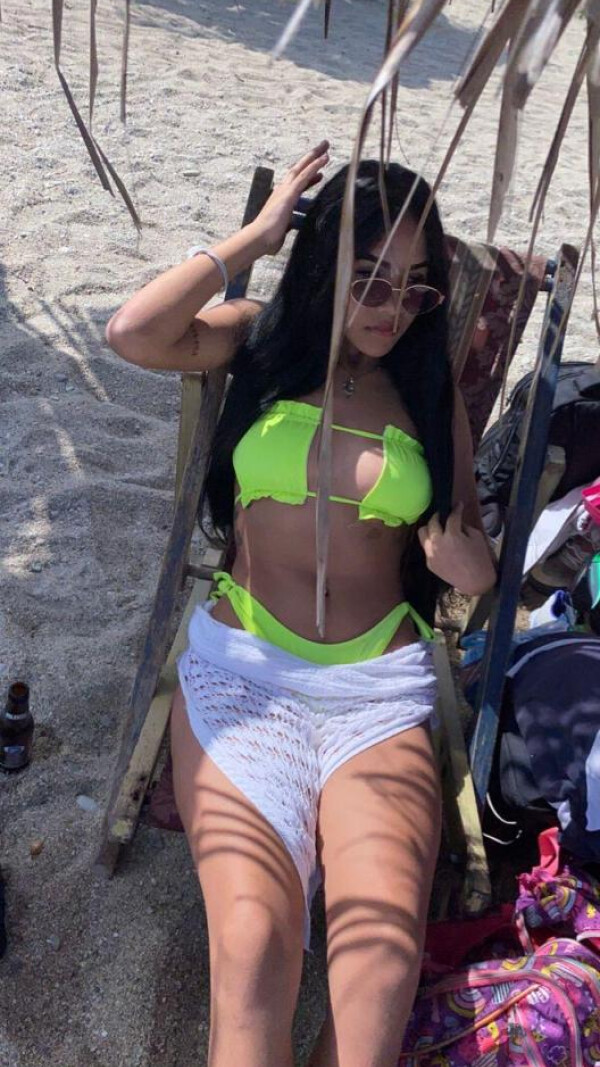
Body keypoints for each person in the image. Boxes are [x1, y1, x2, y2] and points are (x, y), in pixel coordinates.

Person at [106, 140, 497, 1067]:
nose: (392, 308)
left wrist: (463, 562)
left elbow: (476, 558)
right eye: (371, 278)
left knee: (381, 969)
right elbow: (133, 333)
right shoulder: (255, 341)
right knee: (252, 951)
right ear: (324, 262)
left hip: (375, 692)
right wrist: (257, 235)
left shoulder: (428, 390)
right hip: (244, 675)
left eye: (415, 289)